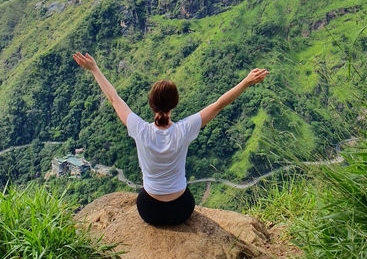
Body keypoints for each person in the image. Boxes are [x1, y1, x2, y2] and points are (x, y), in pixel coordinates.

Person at [73, 51, 268, 226]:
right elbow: (218, 105)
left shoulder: (139, 129)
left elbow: (114, 98)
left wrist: (95, 69)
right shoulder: (184, 129)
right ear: (175, 103)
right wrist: (246, 82)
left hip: (150, 211)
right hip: (181, 209)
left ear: (151, 104)